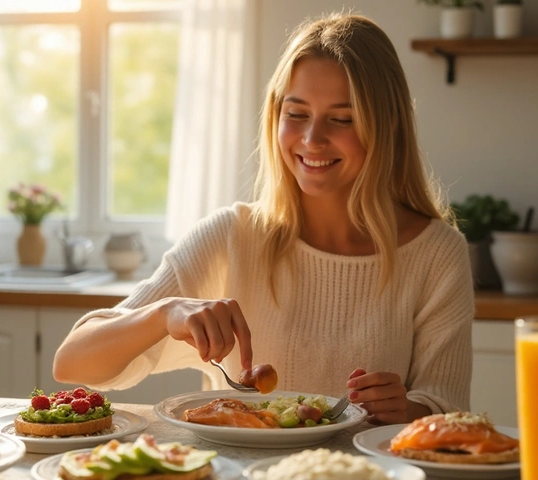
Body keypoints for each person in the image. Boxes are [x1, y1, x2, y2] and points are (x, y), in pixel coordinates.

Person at [54, 12, 474, 425]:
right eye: (296, 113)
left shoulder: (437, 253)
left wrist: (405, 409)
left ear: (387, 126)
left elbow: (447, 408)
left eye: (342, 118)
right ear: (276, 115)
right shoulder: (231, 237)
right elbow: (72, 362)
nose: (312, 139)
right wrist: (164, 312)